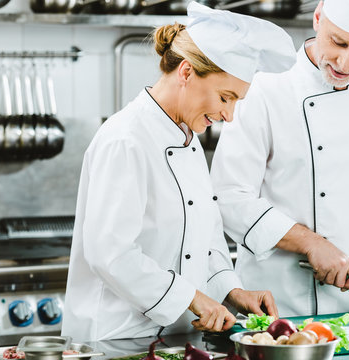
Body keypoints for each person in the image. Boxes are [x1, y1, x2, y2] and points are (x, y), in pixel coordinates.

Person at [61, 2, 297, 341]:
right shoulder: (126, 140)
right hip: (116, 341)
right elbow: (110, 253)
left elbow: (206, 235)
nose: (228, 116)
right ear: (186, 72)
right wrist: (193, 298)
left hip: (173, 337)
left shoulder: (188, 139)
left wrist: (231, 291)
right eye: (225, 97)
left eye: (235, 103)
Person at [210, 0, 349, 317]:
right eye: (338, 42)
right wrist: (311, 243)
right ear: (317, 18)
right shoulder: (266, 87)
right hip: (278, 307)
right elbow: (229, 196)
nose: (346, 62)